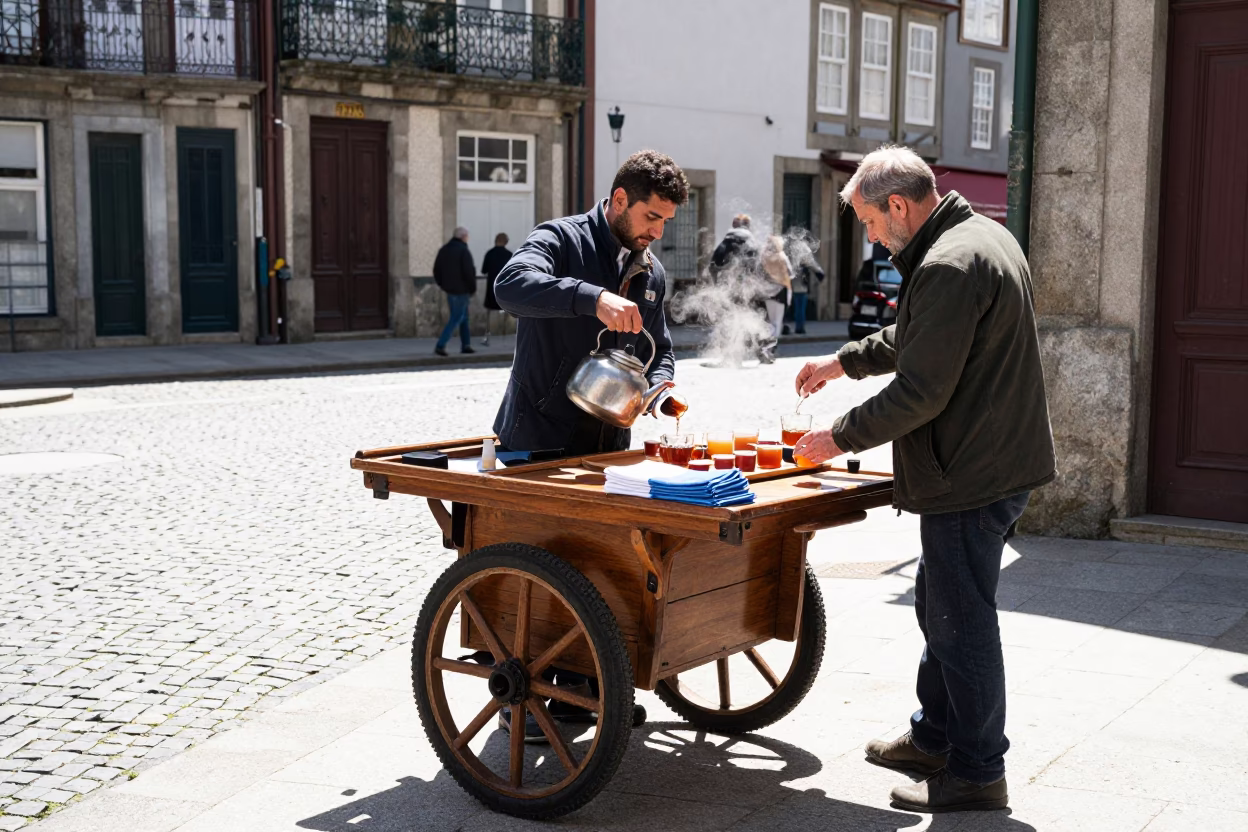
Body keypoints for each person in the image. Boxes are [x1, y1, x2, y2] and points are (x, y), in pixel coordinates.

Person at [792, 145, 1056, 814]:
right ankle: (934, 734)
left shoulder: (945, 264)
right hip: (988, 459)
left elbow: (921, 389)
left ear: (899, 206)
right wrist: (843, 362)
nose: (872, 240)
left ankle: (975, 771)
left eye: (871, 225)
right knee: (937, 605)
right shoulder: (980, 236)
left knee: (960, 620)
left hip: (971, 469)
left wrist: (838, 436)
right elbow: (921, 338)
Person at [491, 150, 689, 741]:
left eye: (666, 223)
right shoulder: (560, 239)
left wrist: (658, 388)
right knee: (541, 577)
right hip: (540, 440)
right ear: (620, 199)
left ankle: (591, 685)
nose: (657, 232)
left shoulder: (650, 272)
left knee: (602, 570)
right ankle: (522, 698)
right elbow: (510, 285)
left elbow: (663, 346)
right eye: (652, 217)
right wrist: (592, 298)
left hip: (608, 448)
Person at [709, 215, 777, 363]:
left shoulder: (725, 243)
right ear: (747, 226)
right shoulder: (751, 244)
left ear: (734, 225)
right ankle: (762, 353)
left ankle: (731, 357)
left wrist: (718, 287)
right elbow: (759, 269)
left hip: (729, 293)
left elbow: (713, 267)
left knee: (730, 323)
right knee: (755, 322)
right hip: (749, 293)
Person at [432, 227, 476, 357]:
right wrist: (472, 288)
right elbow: (469, 272)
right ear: (463, 237)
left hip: (449, 290)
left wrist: (442, 285)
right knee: (457, 318)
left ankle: (466, 345)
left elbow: (436, 270)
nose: (468, 238)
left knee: (463, 318)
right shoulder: (463, 250)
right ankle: (440, 344)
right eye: (467, 236)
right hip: (462, 290)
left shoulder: (444, 250)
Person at [787, 236, 824, 334]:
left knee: (794, 307)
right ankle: (799, 328)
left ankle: (793, 326)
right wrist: (820, 274)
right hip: (801, 287)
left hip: (791, 286)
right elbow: (813, 266)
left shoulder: (791, 254)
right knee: (800, 308)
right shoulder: (804, 256)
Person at [480, 233, 512, 347]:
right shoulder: (509, 255)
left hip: (491, 288)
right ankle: (504, 336)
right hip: (504, 289)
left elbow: (483, 270)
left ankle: (487, 336)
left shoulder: (489, 253)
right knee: (505, 312)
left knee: (489, 313)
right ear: (506, 242)